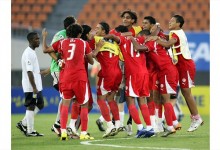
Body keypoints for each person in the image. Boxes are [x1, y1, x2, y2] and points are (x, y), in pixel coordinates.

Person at [149, 14, 204, 132]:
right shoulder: (177, 32)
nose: (169, 22)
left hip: (185, 65)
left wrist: (157, 39)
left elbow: (168, 44)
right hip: (179, 65)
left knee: (186, 92)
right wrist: (159, 34)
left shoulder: (175, 33)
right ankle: (189, 118)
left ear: (178, 24)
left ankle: (196, 118)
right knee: (183, 93)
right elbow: (167, 38)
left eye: (172, 21)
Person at [42, 24, 94, 140]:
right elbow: (91, 61)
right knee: (84, 104)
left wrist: (44, 37)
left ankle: (64, 131)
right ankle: (83, 133)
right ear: (80, 34)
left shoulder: (61, 42)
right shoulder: (83, 43)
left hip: (65, 77)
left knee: (65, 104)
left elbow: (46, 50)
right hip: (79, 77)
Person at [104, 26, 155, 138]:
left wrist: (103, 37)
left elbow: (113, 36)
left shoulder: (124, 40)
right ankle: (150, 127)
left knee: (130, 101)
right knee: (142, 101)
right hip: (144, 73)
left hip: (133, 73)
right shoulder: (142, 40)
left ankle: (141, 128)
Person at [130, 29, 181, 137]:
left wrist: (131, 39)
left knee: (165, 100)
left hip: (167, 71)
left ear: (144, 36)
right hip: (164, 72)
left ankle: (170, 126)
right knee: (163, 99)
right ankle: (172, 124)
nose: (140, 40)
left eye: (140, 37)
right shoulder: (156, 41)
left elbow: (138, 47)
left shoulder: (151, 43)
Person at [41, 16, 77, 136]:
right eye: (75, 23)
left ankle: (60, 124)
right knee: (66, 97)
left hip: (65, 70)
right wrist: (58, 61)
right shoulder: (61, 35)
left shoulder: (72, 36)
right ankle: (57, 124)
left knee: (68, 98)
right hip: (59, 70)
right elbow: (50, 50)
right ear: (69, 26)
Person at [92, 22, 123, 138]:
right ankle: (118, 124)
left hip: (108, 73)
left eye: (98, 28)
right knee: (111, 99)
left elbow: (93, 54)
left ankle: (110, 126)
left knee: (100, 99)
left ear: (104, 31)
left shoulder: (97, 39)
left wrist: (97, 48)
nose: (95, 30)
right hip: (118, 73)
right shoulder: (115, 42)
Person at [16, 32, 44, 137]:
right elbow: (29, 71)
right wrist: (34, 87)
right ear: (31, 40)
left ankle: (23, 123)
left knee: (40, 104)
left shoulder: (32, 51)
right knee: (31, 105)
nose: (38, 40)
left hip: (36, 84)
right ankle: (30, 130)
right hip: (30, 86)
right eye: (36, 39)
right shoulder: (28, 53)